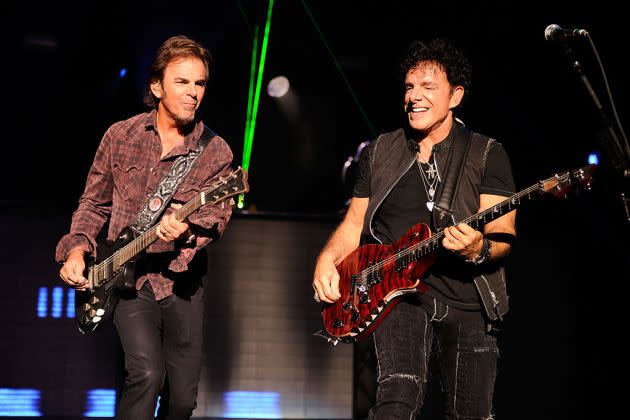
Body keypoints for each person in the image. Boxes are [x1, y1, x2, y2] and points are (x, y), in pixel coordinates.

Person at [312, 38, 517, 419]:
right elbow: (354, 223)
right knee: (397, 399)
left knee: (471, 412)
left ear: (455, 96)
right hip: (399, 296)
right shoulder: (381, 151)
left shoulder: (487, 152)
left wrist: (479, 249)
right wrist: (327, 260)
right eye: (409, 87)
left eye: (428, 87)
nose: (414, 97)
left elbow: (502, 235)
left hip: (469, 299)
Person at [56, 35, 234, 420]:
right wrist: (75, 251)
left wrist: (185, 232)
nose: (193, 94)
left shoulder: (216, 152)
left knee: (183, 400)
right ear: (157, 86)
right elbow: (93, 203)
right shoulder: (120, 136)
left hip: (181, 283)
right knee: (146, 374)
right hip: (127, 280)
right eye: (182, 82)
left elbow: (216, 217)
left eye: (200, 84)